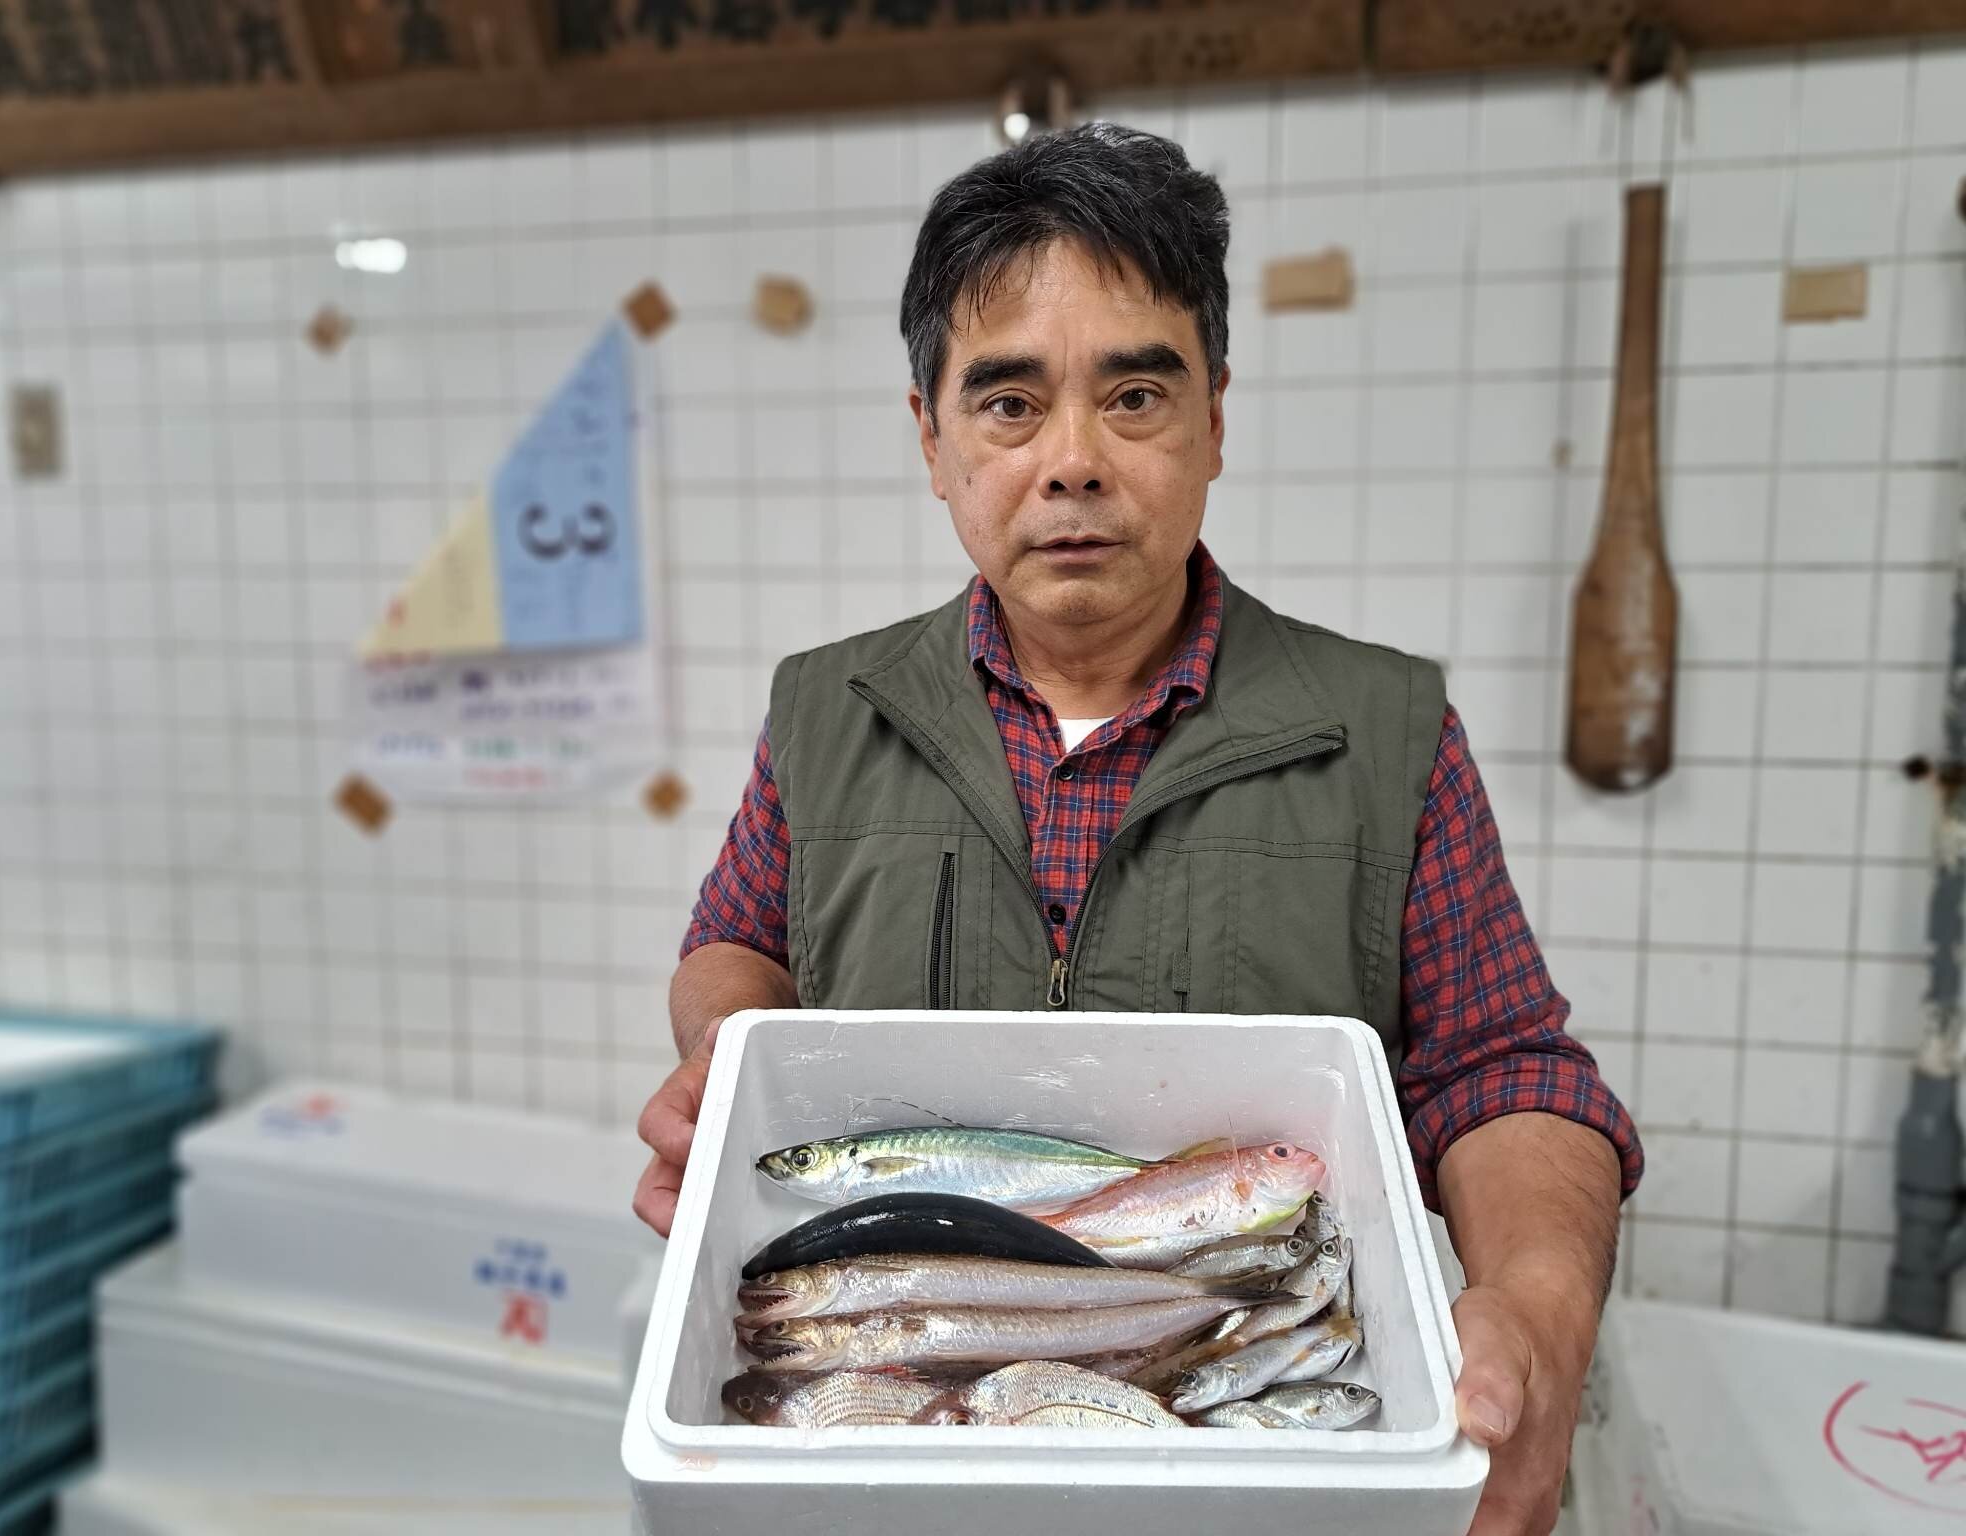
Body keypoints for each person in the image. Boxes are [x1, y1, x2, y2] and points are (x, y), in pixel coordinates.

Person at [633, 123, 1641, 1536]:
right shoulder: (826, 709)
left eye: (1135, 396)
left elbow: (1507, 1070)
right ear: (931, 437)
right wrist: (721, 1063)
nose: (1073, 463)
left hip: (1243, 1455)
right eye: (1007, 403)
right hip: (905, 1455)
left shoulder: (1381, 731)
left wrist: (1536, 1310)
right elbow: (738, 942)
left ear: (1214, 419)